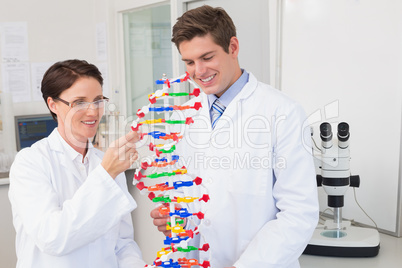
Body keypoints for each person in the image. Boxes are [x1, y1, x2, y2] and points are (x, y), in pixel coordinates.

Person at [150, 5, 319, 268]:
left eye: (207, 57)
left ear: (233, 47)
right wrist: (175, 218)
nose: (199, 71)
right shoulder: (182, 115)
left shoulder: (282, 112)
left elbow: (298, 213)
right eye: (189, 62)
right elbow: (190, 192)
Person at [8, 59, 146, 268]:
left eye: (98, 100)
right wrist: (105, 174)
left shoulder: (107, 163)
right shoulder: (31, 163)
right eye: (79, 102)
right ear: (53, 105)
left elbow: (122, 243)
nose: (93, 111)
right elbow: (53, 238)